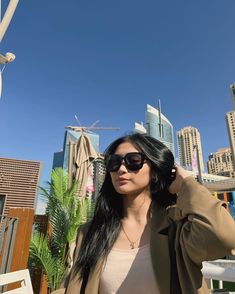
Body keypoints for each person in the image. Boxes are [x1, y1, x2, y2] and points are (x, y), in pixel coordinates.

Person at [60, 133, 235, 294]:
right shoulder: (91, 232)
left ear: (155, 171)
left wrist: (186, 184)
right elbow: (72, 287)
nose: (121, 169)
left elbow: (224, 236)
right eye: (114, 162)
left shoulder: (177, 226)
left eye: (133, 160)